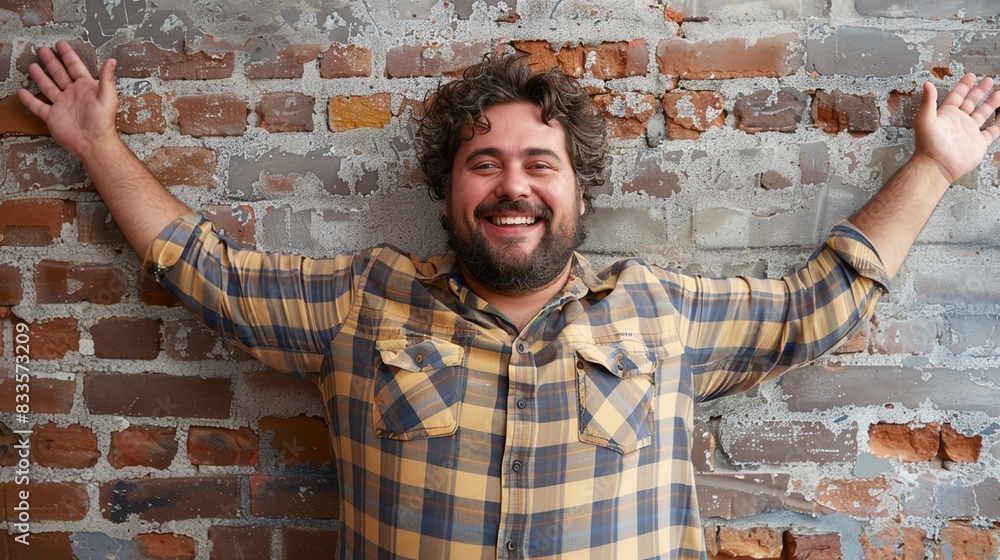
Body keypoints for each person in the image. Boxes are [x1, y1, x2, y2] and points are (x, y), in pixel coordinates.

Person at [20, 40, 1000, 559]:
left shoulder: (661, 310)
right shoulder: (363, 306)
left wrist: (933, 164)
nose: (512, 185)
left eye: (539, 162)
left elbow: (812, 304)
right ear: (449, 191)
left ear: (577, 190)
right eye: (483, 163)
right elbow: (208, 270)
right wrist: (98, 144)